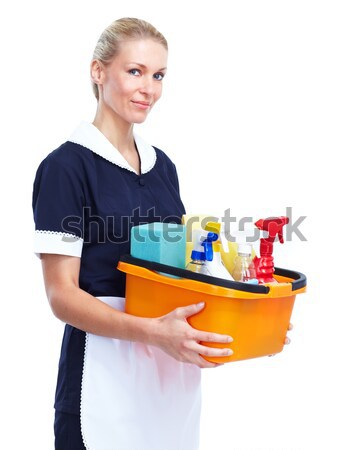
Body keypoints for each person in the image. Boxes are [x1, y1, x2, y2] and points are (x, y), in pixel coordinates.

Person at [32, 17, 235, 450]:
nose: (150, 89)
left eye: (159, 75)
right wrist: (153, 332)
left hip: (170, 382)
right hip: (102, 382)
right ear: (98, 71)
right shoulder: (66, 168)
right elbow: (61, 296)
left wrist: (248, 316)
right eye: (135, 71)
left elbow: (179, 270)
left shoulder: (164, 167)